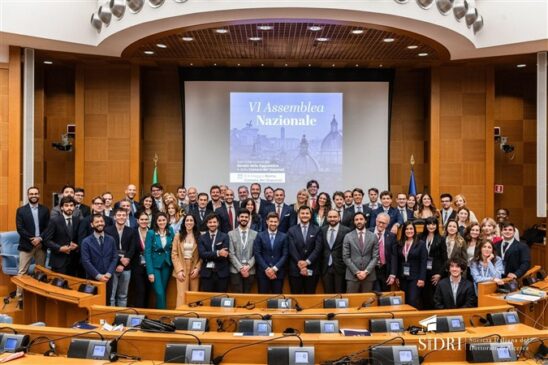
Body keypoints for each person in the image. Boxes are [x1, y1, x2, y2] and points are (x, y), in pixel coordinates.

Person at [15, 186, 50, 300]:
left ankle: (39, 295)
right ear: (28, 195)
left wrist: (40, 238)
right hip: (26, 245)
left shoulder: (45, 210)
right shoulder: (21, 210)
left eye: (36, 194)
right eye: (31, 194)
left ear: (39, 195)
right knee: (22, 271)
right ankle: (20, 297)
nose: (34, 196)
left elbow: (48, 227)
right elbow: (20, 229)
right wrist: (32, 239)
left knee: (40, 271)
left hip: (41, 245)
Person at [80, 214, 118, 304]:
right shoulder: (86, 241)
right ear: (92, 225)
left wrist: (109, 273)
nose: (100, 223)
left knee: (107, 302)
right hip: (93, 279)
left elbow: (114, 257)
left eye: (101, 221)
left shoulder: (111, 239)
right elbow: (86, 261)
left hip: (108, 278)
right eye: (97, 222)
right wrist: (99, 276)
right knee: (93, 304)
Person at [104, 208, 137, 307]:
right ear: (114, 217)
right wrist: (119, 261)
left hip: (126, 267)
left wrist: (123, 263)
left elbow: (132, 248)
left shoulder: (131, 231)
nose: (121, 217)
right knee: (111, 295)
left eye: (123, 215)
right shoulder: (107, 230)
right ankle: (112, 317)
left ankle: (121, 317)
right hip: (112, 267)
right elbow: (108, 249)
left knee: (123, 295)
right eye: (119, 215)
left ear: (127, 217)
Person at [287, 206, 323, 294]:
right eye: (302, 213)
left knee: (310, 296)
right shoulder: (292, 230)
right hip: (295, 269)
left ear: (310, 215)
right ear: (299, 215)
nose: (305, 215)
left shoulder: (317, 229)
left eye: (307, 213)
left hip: (311, 268)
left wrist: (307, 262)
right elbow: (291, 249)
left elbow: (318, 248)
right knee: (295, 296)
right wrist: (300, 263)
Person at [44, 196, 81, 275]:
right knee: (58, 286)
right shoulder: (54, 221)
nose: (69, 208)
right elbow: (47, 240)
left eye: (71, 205)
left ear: (74, 207)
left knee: (72, 285)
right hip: (58, 260)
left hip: (74, 261)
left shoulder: (78, 221)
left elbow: (80, 239)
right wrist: (59, 248)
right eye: (66, 205)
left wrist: (77, 246)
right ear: (61, 207)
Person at [343, 212, 378, 293]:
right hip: (352, 276)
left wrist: (366, 272)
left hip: (368, 276)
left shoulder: (373, 236)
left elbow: (375, 257)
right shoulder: (348, 236)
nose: (359, 221)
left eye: (361, 219)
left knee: (367, 302)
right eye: (356, 220)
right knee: (352, 302)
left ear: (365, 221)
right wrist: (357, 272)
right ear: (354, 222)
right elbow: (346, 257)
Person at [253, 212, 288, 294]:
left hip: (278, 274)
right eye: (271, 221)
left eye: (275, 222)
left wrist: (275, 269)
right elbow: (257, 254)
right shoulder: (260, 235)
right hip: (263, 273)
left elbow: (285, 254)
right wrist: (267, 269)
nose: (273, 223)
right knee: (262, 299)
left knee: (277, 299)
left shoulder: (284, 236)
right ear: (267, 222)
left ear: (278, 223)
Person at [145, 212, 174, 309]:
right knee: (159, 292)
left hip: (166, 265)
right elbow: (147, 253)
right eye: (159, 220)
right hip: (155, 266)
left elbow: (173, 248)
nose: (162, 222)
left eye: (164, 220)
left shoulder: (170, 231)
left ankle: (159, 317)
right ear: (156, 222)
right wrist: (150, 272)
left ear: (167, 221)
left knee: (163, 292)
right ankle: (164, 316)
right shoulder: (151, 233)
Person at [395, 221, 427, 308]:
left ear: (414, 230)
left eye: (411, 229)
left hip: (416, 277)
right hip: (403, 277)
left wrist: (422, 278)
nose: (409, 231)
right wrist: (397, 276)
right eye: (407, 229)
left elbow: (424, 262)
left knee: (413, 300)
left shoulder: (421, 244)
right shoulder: (400, 243)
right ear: (404, 231)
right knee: (404, 301)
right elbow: (398, 261)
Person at [171, 214, 201, 306]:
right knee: (181, 295)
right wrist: (179, 270)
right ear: (184, 223)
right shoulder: (178, 236)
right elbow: (174, 254)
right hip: (181, 268)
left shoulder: (199, 236)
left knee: (194, 295)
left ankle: (193, 317)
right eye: (187, 220)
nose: (189, 222)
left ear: (195, 223)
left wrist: (197, 268)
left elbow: (202, 255)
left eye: (191, 220)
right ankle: (180, 317)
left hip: (194, 268)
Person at [419, 217, 447, 309]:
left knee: (434, 298)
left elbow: (445, 259)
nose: (431, 226)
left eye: (434, 224)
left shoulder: (441, 239)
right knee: (423, 297)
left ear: (436, 226)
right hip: (423, 272)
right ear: (425, 225)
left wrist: (440, 274)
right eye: (429, 224)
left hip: (435, 273)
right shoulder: (420, 237)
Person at [198, 213, 230, 292]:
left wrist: (209, 254)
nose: (212, 224)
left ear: (218, 223)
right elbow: (202, 254)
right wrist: (218, 253)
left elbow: (224, 255)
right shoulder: (202, 238)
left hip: (221, 273)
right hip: (207, 274)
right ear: (207, 224)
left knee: (221, 298)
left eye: (214, 222)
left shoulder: (225, 236)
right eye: (210, 222)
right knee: (207, 299)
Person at [321, 209, 350, 294]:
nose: (332, 219)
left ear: (339, 218)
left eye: (334, 217)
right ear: (327, 218)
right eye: (330, 217)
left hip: (340, 267)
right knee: (328, 294)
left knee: (340, 294)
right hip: (325, 267)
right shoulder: (322, 230)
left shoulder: (346, 231)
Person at [228, 209, 258, 293]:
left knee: (247, 296)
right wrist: (241, 268)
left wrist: (248, 266)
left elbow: (257, 253)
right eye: (242, 217)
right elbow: (231, 253)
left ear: (249, 219)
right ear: (237, 218)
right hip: (235, 270)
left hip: (250, 270)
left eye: (246, 217)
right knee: (238, 296)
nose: (244, 219)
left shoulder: (255, 234)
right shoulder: (230, 234)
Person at [370, 212, 398, 292]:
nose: (381, 225)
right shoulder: (368, 233)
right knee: (374, 293)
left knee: (385, 295)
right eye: (379, 222)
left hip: (385, 270)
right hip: (371, 269)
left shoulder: (392, 236)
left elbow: (394, 256)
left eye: (384, 223)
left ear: (388, 224)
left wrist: (393, 274)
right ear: (376, 221)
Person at [130, 211, 151, 308]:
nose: (144, 221)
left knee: (148, 290)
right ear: (137, 221)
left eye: (146, 219)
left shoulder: (152, 232)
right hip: (137, 266)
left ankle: (146, 314)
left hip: (150, 266)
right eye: (142, 219)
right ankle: (139, 315)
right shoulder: (132, 232)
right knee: (140, 290)